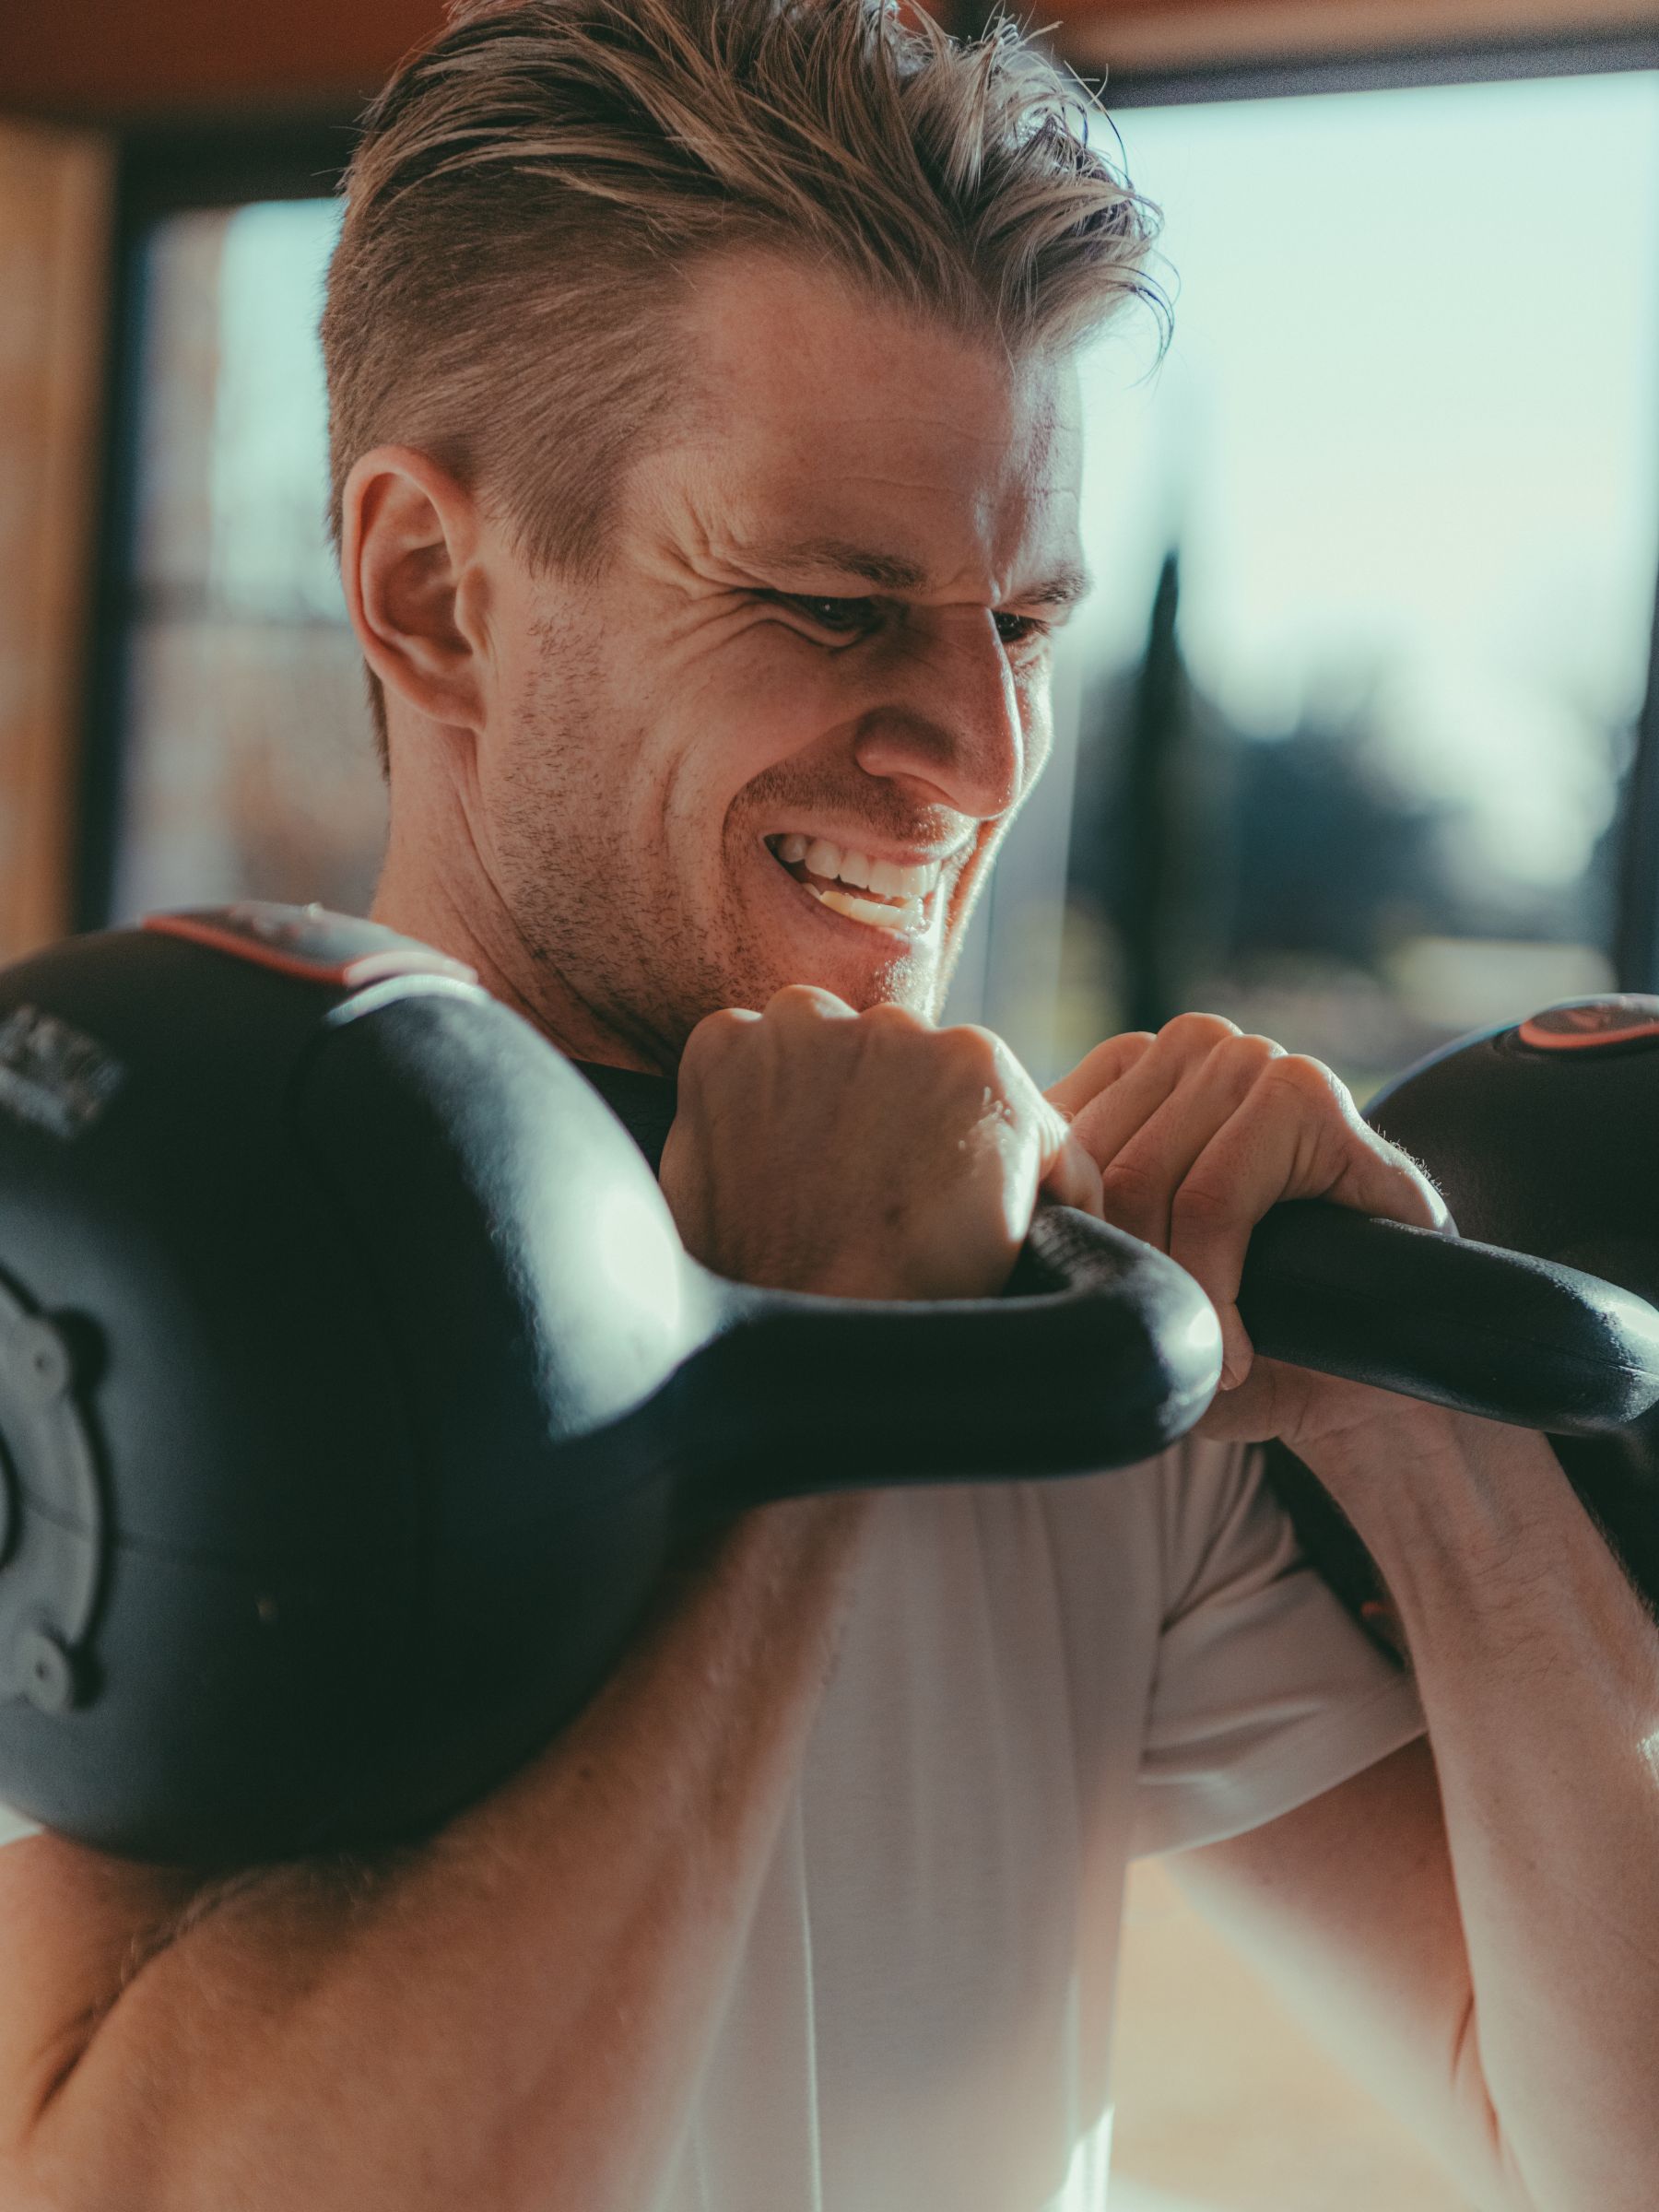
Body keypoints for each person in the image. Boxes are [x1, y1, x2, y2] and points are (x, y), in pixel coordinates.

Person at [3, 2, 1657, 2206]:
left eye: (1030, 625)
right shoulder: (120, 1277)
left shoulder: (1058, 1337)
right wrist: (797, 1378)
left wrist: (1423, 1456)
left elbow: (1591, 2131)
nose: (976, 754)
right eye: (828, 603)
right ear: (433, 592)